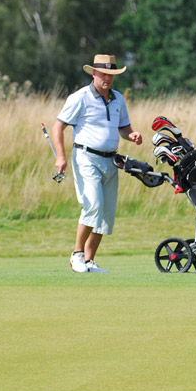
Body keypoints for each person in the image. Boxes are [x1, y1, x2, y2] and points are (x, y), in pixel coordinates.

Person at [51, 54, 142, 273]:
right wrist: (61, 157)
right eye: (103, 74)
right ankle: (77, 255)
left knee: (106, 214)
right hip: (86, 157)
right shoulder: (80, 97)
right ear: (94, 73)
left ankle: (89, 261)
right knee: (93, 205)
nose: (107, 78)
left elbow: (123, 128)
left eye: (111, 74)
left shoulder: (118, 99)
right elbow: (57, 128)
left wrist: (132, 135)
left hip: (111, 160)